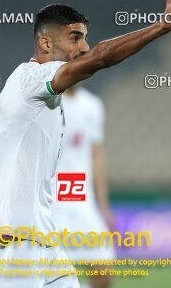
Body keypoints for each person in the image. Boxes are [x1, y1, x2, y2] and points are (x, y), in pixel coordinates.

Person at [0, 0, 171, 288]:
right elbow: (100, 58)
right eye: (75, 38)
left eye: (86, 38)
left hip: (44, 240)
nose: (84, 47)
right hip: (9, 242)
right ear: (45, 43)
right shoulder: (29, 80)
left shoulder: (55, 100)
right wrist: (159, 27)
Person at [52, 85, 115, 288]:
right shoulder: (47, 103)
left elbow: (96, 156)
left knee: (104, 269)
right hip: (52, 203)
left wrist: (104, 207)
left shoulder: (92, 106)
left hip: (82, 201)